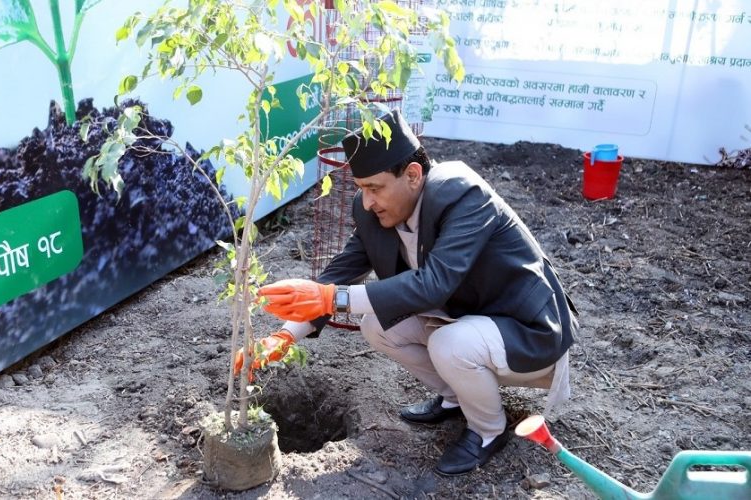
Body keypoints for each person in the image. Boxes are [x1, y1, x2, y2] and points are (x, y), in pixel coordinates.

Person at [237, 109, 579, 476]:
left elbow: (435, 283)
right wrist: (285, 334)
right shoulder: (375, 211)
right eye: (361, 189)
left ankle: (488, 430)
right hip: (467, 318)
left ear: (413, 175)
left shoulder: (464, 195)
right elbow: (336, 276)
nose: (367, 202)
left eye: (375, 188)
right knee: (377, 325)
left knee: (450, 344)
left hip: (528, 332)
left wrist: (333, 298)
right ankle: (455, 399)